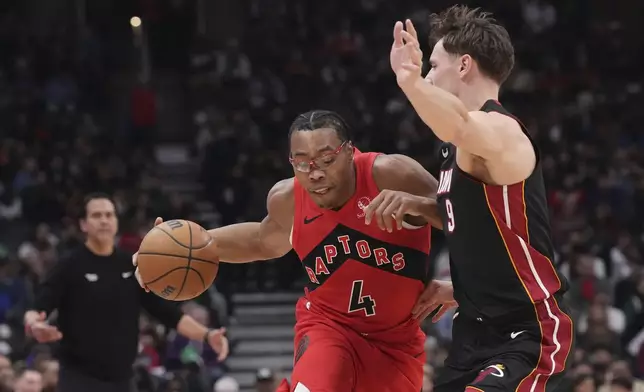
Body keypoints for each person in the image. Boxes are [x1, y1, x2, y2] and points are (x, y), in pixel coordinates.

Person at [135, 110, 443, 391]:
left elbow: (467, 218)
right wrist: (178, 247)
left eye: (326, 159)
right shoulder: (288, 198)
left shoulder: (391, 174)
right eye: (302, 162)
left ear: (349, 152)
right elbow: (261, 240)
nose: (315, 173)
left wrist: (420, 208)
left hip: (397, 341)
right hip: (329, 326)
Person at [369, 5, 575, 391]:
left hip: (527, 330)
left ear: (463, 65)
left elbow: (461, 123)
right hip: (475, 333)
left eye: (433, 65)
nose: (429, 74)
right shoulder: (457, 148)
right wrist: (418, 208)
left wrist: (411, 82)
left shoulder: (502, 131)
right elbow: (479, 224)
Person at [23, 194, 229, 392]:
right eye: (96, 215)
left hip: (122, 378)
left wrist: (207, 334)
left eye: (109, 215)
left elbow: (167, 313)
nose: (104, 220)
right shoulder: (70, 265)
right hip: (79, 378)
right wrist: (34, 324)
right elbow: (38, 307)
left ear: (116, 222)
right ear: (83, 224)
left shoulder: (133, 264)